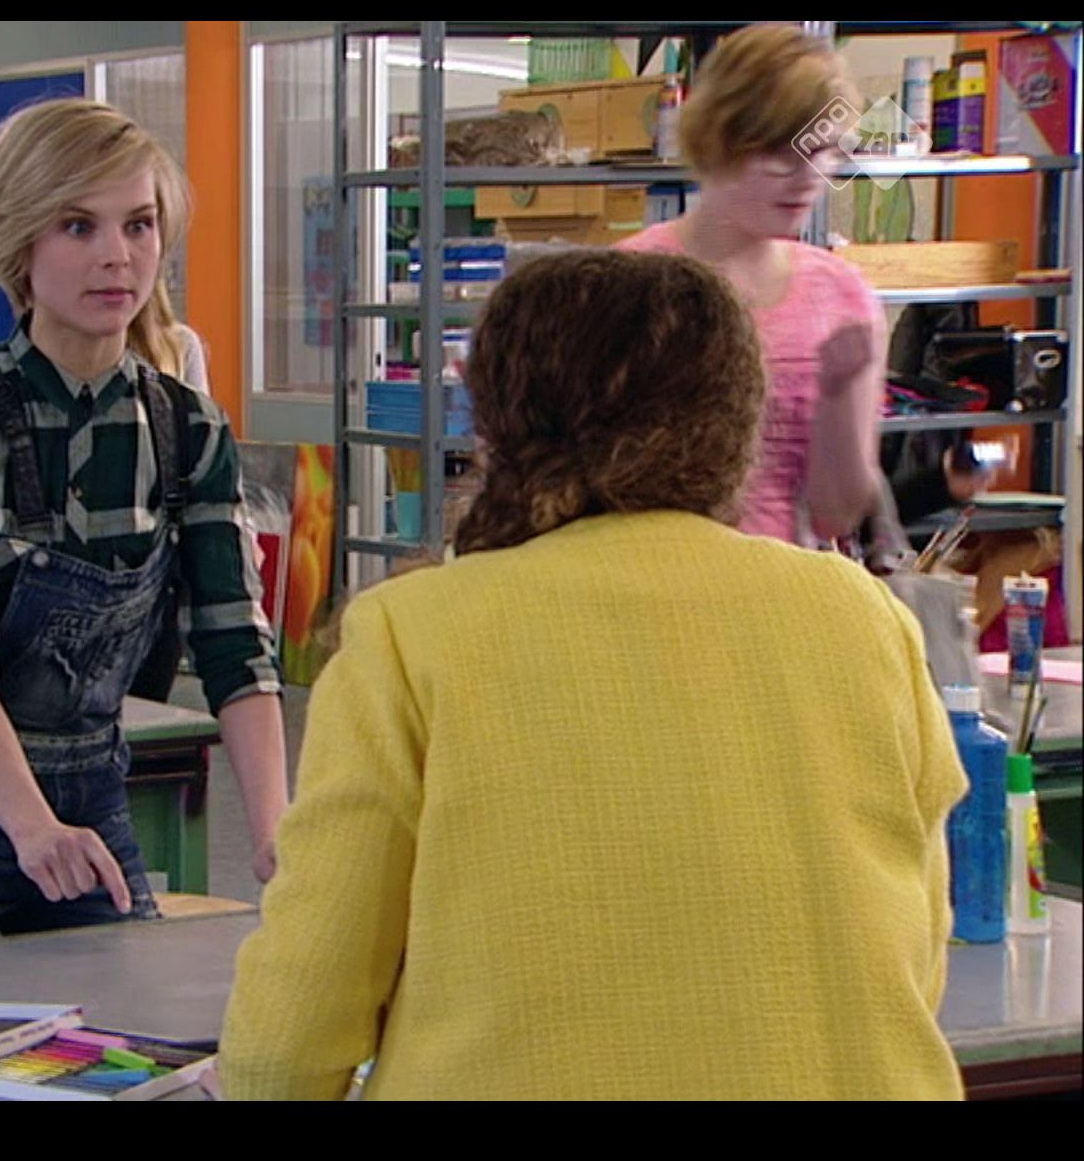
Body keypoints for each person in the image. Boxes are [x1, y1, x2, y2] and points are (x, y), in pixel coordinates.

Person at [217, 250, 967, 1100]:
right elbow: (914, 956)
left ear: (495, 419)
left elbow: (297, 1029)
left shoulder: (411, 636)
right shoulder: (861, 619)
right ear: (738, 420)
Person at [0, 98, 289, 953]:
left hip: (85, 785)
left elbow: (235, 642)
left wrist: (276, 834)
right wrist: (31, 828)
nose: (118, 255)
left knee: (124, 1019)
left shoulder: (188, 430)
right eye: (79, 226)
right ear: (20, 242)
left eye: (139, 224)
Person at [619, 23, 886, 546]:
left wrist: (839, 398)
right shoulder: (630, 285)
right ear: (720, 139)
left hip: (785, 582)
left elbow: (836, 515)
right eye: (783, 154)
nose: (807, 178)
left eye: (823, 151)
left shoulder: (842, 297)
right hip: (654, 574)